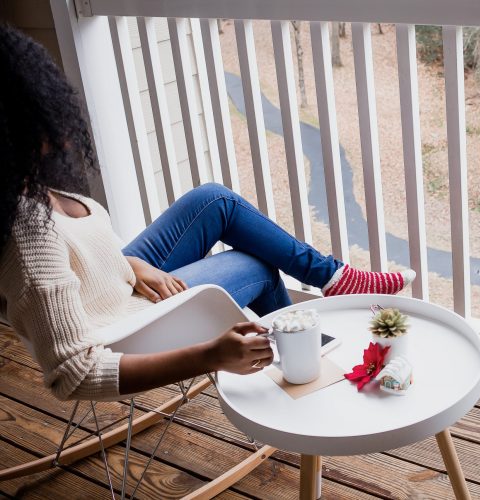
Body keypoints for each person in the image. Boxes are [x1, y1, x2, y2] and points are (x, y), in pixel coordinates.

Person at [0, 24, 414, 401]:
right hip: (124, 319)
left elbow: (79, 260)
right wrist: (212, 355)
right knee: (256, 266)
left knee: (214, 200)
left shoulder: (29, 189)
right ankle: (307, 374)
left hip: (118, 279)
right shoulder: (28, 233)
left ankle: (333, 279)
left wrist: (130, 264)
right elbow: (73, 374)